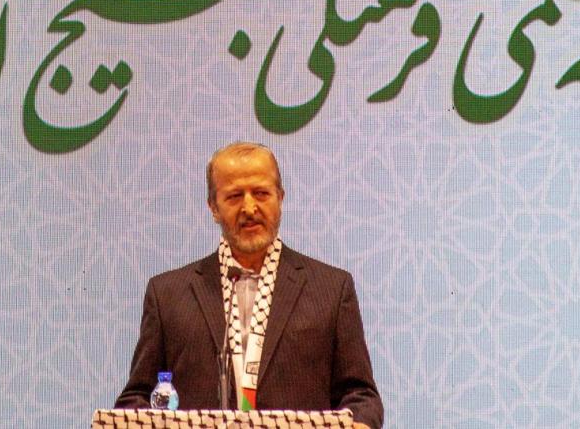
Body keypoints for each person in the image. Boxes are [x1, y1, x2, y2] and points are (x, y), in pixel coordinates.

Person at [115, 142, 383, 429]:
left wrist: (360, 424)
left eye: (261, 193)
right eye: (234, 196)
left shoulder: (331, 289)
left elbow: (361, 397)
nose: (249, 208)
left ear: (280, 198)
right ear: (213, 207)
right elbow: (136, 398)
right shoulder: (168, 295)